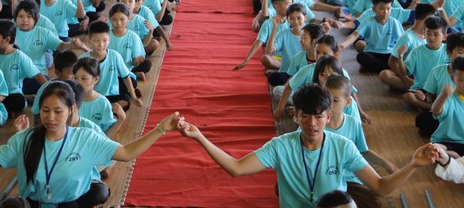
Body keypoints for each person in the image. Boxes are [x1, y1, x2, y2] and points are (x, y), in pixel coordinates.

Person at [180, 83, 438, 208]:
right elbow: (236, 168)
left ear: (328, 116)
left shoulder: (343, 146)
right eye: (306, 116)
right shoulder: (281, 146)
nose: (312, 123)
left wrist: (413, 163)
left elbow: (381, 187)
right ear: (296, 116)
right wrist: (201, 138)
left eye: (318, 116)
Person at [0, 80, 183, 207]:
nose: (51, 117)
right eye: (45, 110)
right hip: (35, 203)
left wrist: (160, 129)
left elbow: (126, 152)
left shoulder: (85, 138)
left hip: (69, 204)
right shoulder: (26, 138)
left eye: (58, 111)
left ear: (71, 110)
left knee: (97, 192)